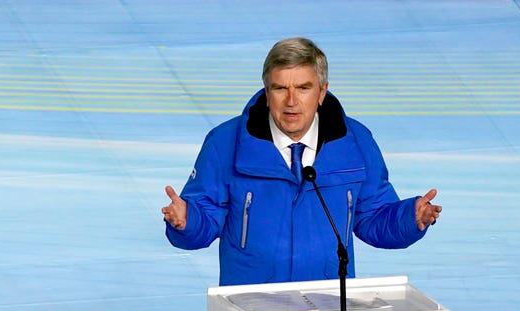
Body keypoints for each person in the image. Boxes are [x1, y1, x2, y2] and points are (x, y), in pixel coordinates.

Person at [162, 37, 441, 286]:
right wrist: (187, 221)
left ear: (321, 92)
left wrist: (409, 218)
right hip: (249, 303)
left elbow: (373, 217)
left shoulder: (356, 141)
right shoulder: (224, 143)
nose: (291, 101)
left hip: (328, 301)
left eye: (304, 88)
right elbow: (205, 217)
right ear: (267, 92)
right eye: (280, 88)